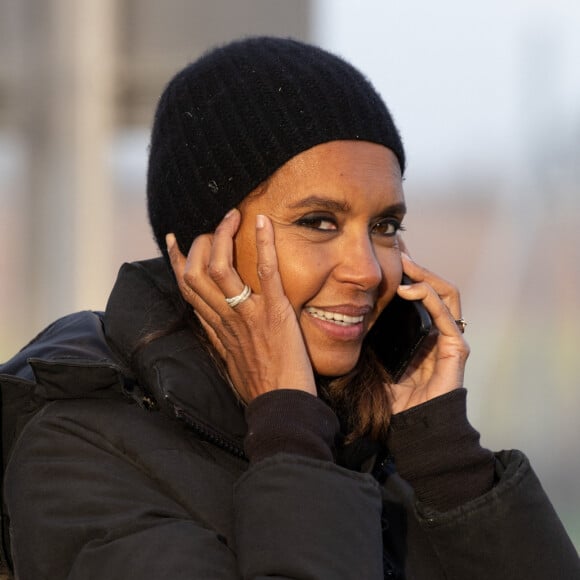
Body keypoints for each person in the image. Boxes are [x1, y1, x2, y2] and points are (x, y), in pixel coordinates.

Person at [0, 36, 578, 580]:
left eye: (384, 226)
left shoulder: (380, 451)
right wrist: (290, 429)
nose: (369, 270)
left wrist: (449, 463)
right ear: (207, 248)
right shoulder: (77, 453)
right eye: (318, 222)